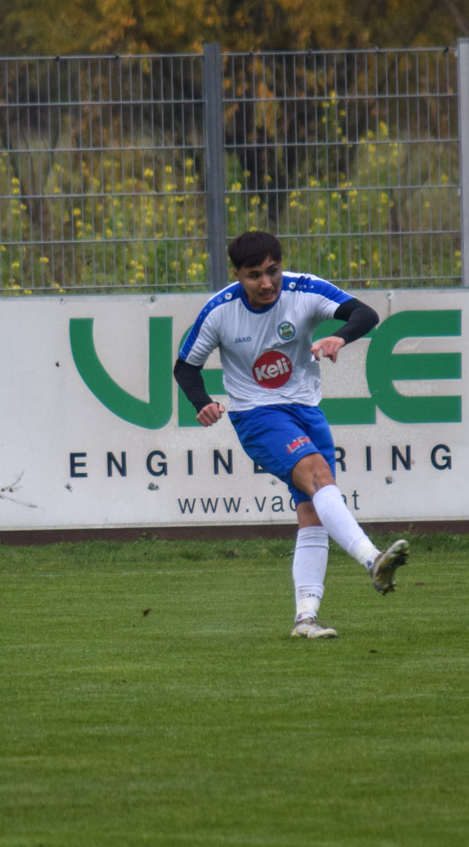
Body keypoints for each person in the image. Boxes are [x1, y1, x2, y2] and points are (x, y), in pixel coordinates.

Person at [174, 230, 409, 639]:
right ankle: (373, 560)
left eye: (273, 271)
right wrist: (201, 402)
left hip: (307, 411)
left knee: (313, 512)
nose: (267, 283)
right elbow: (185, 366)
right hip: (257, 415)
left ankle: (305, 619)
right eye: (254, 275)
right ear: (237, 275)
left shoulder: (304, 290)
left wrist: (339, 336)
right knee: (319, 474)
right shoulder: (220, 311)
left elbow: (365, 314)